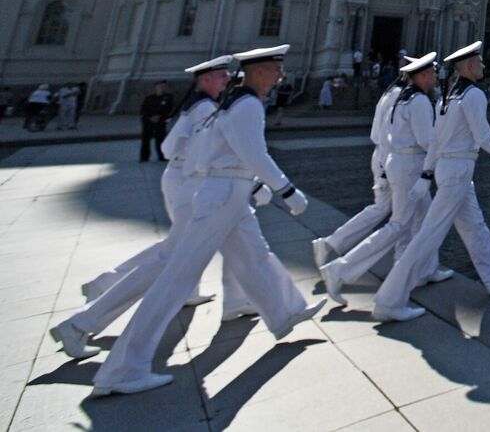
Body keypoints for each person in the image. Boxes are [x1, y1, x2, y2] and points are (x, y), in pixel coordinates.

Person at [90, 45, 323, 396]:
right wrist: (284, 190)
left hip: (226, 192)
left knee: (255, 256)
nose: (281, 76)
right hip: (222, 196)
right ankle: (122, 369)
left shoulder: (231, 103)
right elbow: (253, 153)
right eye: (276, 69)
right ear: (259, 71)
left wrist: (235, 181)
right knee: (176, 280)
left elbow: (208, 152)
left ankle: (285, 312)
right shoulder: (245, 105)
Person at [49, 56, 251, 360]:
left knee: (188, 251)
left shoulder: (199, 106)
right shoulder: (207, 109)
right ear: (205, 80)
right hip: (197, 187)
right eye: (222, 76)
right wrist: (198, 167)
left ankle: (241, 300)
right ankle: (84, 320)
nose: (227, 81)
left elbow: (173, 148)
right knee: (169, 259)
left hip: (194, 184)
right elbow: (198, 150)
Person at [371, 42, 490, 321]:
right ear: (468, 66)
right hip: (457, 169)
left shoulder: (447, 96)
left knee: (473, 223)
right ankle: (389, 298)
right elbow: (483, 136)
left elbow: (436, 140)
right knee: (429, 234)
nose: (483, 66)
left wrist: (427, 174)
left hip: (450, 168)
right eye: (479, 62)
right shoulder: (473, 95)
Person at [319, 53, 452, 304]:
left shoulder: (401, 96)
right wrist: (443, 155)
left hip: (398, 162)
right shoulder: (419, 101)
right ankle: (341, 269)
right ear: (422, 75)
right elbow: (427, 140)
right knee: (400, 224)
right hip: (410, 166)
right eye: (433, 73)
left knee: (423, 220)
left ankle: (421, 269)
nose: (437, 77)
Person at [311, 66, 404, 271]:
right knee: (401, 219)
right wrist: (384, 169)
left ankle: (330, 244)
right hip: (389, 158)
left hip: (383, 156)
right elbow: (391, 133)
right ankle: (343, 266)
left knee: (385, 210)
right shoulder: (400, 96)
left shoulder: (391, 92)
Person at [138, 81, 174, 161]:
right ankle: (144, 157)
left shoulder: (168, 98)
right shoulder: (149, 98)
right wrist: (149, 117)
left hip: (160, 121)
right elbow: (143, 109)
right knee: (146, 139)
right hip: (148, 121)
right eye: (159, 86)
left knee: (160, 139)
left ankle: (162, 156)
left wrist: (160, 116)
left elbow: (169, 109)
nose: (161, 88)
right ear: (155, 88)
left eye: (163, 86)